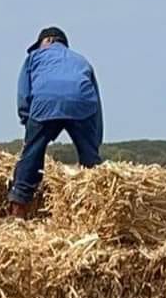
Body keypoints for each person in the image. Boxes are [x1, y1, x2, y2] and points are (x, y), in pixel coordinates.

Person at [8, 26, 103, 216]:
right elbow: (96, 104)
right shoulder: (81, 60)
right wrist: (94, 143)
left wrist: (27, 122)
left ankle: (19, 207)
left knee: (32, 155)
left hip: (45, 103)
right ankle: (99, 206)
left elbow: (23, 93)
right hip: (81, 105)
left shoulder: (34, 57)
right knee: (89, 161)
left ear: (48, 41)